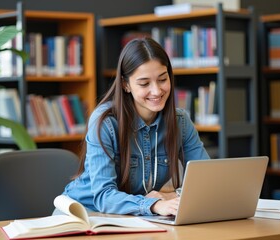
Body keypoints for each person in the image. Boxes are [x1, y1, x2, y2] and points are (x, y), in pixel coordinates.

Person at [62, 37, 209, 216]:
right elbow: (103, 196)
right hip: (82, 213)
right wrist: (153, 205)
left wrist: (169, 196)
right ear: (126, 84)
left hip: (131, 216)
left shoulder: (180, 121)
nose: (156, 91)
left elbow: (207, 181)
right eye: (144, 83)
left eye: (162, 79)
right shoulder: (105, 122)